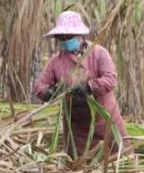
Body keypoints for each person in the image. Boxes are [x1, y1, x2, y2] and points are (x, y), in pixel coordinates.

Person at [33, 11, 129, 159]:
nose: (65, 40)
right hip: (77, 127)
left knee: (118, 159)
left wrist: (89, 87)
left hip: (105, 120)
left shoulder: (98, 53)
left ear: (79, 35)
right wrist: (49, 93)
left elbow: (110, 79)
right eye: (61, 37)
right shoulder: (56, 61)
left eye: (68, 36)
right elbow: (40, 86)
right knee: (79, 165)